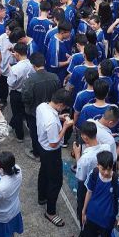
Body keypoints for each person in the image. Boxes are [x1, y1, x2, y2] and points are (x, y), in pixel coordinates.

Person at [78, 150, 119, 237]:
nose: (106, 172)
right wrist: (83, 211)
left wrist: (118, 218)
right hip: (92, 215)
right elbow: (89, 192)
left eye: (109, 169)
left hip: (107, 220)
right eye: (103, 169)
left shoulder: (118, 182)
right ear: (98, 165)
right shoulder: (93, 174)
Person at [36, 88, 75, 227]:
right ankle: (50, 212)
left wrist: (60, 117)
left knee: (44, 171)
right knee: (56, 181)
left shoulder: (42, 106)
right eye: (64, 107)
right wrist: (65, 126)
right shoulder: (52, 121)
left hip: (42, 146)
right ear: (60, 105)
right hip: (51, 152)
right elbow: (54, 143)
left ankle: (42, 197)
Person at [21, 52, 60, 159]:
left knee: (35, 133)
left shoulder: (30, 80)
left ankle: (37, 153)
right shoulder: (54, 77)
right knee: (49, 132)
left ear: (33, 65)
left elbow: (26, 98)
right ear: (45, 62)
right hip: (51, 111)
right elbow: (58, 93)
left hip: (34, 113)